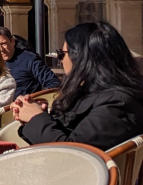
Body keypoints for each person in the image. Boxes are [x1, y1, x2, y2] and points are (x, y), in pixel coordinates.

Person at [13, 22, 143, 148]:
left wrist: (36, 118)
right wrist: (41, 116)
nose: (61, 60)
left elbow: (74, 153)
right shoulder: (96, 94)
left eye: (61, 53)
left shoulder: (117, 103)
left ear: (80, 59)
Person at [0, 26, 60, 99]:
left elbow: (53, 83)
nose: (1, 49)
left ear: (12, 41)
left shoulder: (30, 59)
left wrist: (34, 100)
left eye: (3, 44)